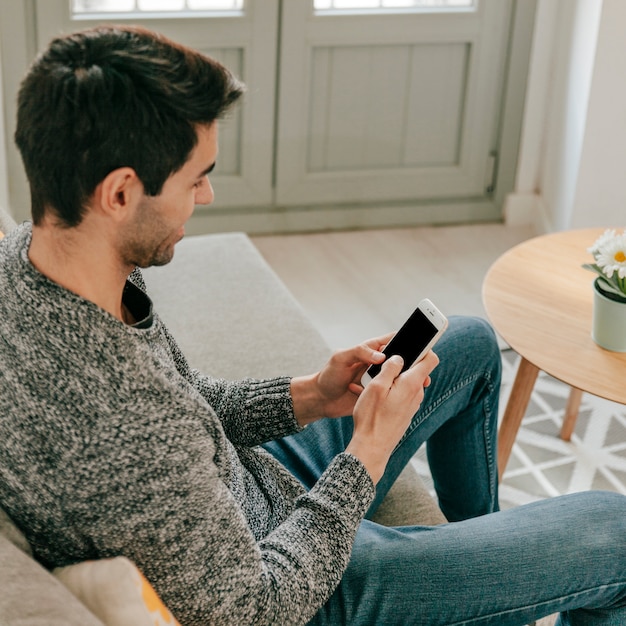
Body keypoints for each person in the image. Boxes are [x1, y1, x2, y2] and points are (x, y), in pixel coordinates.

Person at [0, 25, 624, 626]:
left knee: (468, 344)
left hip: (241, 492)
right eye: (197, 177)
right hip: (301, 589)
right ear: (120, 194)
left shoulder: (36, 259)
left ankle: (487, 595)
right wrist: (367, 451)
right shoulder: (118, 423)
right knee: (616, 531)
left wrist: (312, 394)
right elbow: (259, 610)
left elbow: (185, 408)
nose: (208, 195)